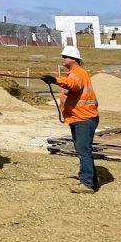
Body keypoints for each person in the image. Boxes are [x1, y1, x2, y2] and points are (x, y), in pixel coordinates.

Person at [42, 45, 100, 193]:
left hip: (84, 118)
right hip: (80, 118)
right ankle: (91, 179)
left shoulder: (77, 73)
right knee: (84, 150)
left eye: (65, 57)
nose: (63, 59)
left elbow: (74, 85)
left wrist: (55, 80)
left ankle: (87, 184)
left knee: (83, 151)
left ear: (73, 59)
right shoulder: (74, 72)